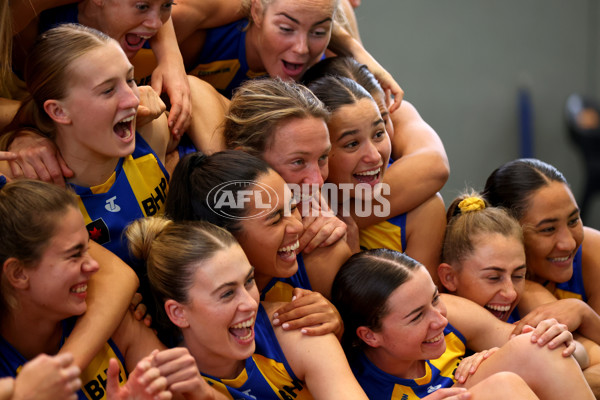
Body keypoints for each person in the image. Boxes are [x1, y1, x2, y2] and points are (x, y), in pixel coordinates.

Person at [0, 179, 223, 400]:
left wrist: (203, 395)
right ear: (18, 273)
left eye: (88, 249)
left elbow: (189, 394)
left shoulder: (111, 321)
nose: (95, 266)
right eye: (74, 255)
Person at [126, 216, 369, 399]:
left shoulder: (295, 325)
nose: (250, 302)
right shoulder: (168, 378)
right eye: (227, 293)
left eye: (249, 281)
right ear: (178, 313)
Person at [331, 248, 595, 399]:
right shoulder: (351, 382)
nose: (440, 320)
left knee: (538, 346)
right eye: (416, 316)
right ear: (370, 336)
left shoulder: (454, 313)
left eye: (435, 299)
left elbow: (574, 358)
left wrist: (566, 343)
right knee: (502, 388)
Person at [165, 150, 347, 336]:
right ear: (225, 237)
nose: (297, 226)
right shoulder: (190, 307)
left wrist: (338, 325)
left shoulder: (323, 259)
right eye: (275, 220)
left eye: (292, 207)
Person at [438, 191, 600, 395]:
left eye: (518, 275)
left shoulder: (530, 296)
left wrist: (565, 349)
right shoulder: (443, 311)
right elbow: (541, 352)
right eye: (493, 278)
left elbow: (588, 354)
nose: (510, 293)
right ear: (449, 277)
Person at [307, 75, 446, 273]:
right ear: (319, 153)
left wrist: (353, 256)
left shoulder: (422, 208)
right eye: (352, 144)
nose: (374, 156)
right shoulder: (285, 216)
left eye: (379, 133)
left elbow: (426, 302)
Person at [172, 0, 403, 108]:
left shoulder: (333, 30)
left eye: (319, 31)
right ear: (257, 11)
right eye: (286, 29)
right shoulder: (204, 27)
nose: (301, 48)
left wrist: (356, 51)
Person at [11, 0, 192, 136]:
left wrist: (172, 59)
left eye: (167, 5)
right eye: (142, 7)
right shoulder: (27, 25)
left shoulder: (173, 23)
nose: (156, 24)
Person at [223, 77, 353, 253]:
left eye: (323, 157)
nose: (318, 182)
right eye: (298, 162)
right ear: (247, 160)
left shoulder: (327, 232)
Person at [482, 158, 600, 318]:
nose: (569, 243)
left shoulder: (593, 253)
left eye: (573, 221)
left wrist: (582, 312)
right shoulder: (473, 276)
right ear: (506, 231)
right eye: (548, 229)